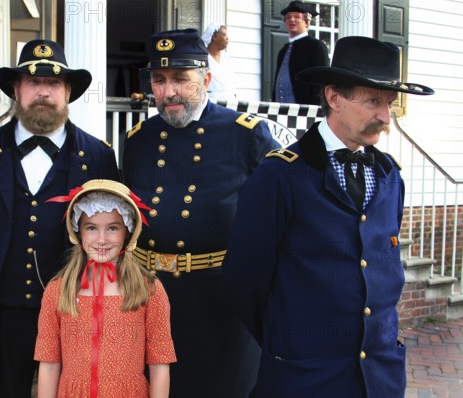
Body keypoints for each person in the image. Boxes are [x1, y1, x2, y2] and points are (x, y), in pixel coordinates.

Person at [224, 36, 434, 398]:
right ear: (334, 97)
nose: (385, 117)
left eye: (389, 104)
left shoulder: (390, 176)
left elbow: (381, 264)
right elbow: (245, 281)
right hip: (304, 378)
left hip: (379, 378)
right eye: (373, 102)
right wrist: (289, 344)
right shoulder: (279, 176)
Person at [0, 39, 119, 398]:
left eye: (53, 84)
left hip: (74, 313)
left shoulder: (98, 156)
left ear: (67, 92)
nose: (43, 92)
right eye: (33, 82)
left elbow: (117, 243)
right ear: (16, 90)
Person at [123, 28, 280, 398]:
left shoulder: (245, 134)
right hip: (151, 298)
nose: (169, 92)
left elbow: (283, 210)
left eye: (181, 79)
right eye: (159, 81)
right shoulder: (138, 139)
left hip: (221, 303)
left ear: (206, 79)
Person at [34, 179, 176, 398]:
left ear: (127, 232)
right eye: (91, 228)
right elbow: (49, 363)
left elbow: (159, 364)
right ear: (78, 231)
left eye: (112, 228)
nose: (101, 239)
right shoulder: (57, 290)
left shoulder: (149, 289)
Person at [272, 0, 328, 105]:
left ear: (306, 22)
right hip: (280, 110)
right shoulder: (283, 51)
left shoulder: (316, 46)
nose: (291, 20)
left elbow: (321, 84)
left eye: (297, 17)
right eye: (288, 17)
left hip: (305, 112)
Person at [201, 23, 238, 101]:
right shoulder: (203, 59)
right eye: (224, 35)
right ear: (214, 37)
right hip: (213, 105)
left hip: (230, 105)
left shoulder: (226, 58)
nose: (227, 38)